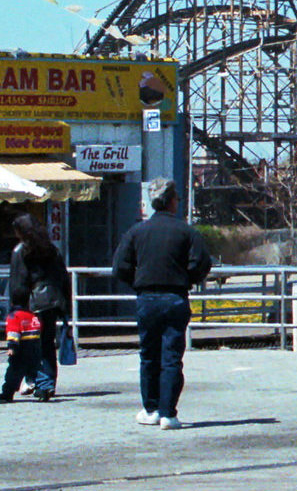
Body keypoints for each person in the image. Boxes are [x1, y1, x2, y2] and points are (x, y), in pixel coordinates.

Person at [113, 184, 212, 430]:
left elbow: (119, 267)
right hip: (175, 296)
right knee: (171, 358)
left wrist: (137, 284)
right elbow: (202, 263)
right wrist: (187, 279)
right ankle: (169, 414)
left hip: (147, 297)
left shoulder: (137, 232)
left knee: (148, 356)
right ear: (172, 202)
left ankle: (151, 409)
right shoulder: (186, 232)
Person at [0, 213, 69, 402]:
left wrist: (15, 307)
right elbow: (62, 276)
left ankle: (31, 380)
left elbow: (18, 284)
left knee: (28, 346)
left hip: (30, 306)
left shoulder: (20, 251)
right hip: (51, 303)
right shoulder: (51, 249)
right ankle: (47, 383)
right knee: (47, 344)